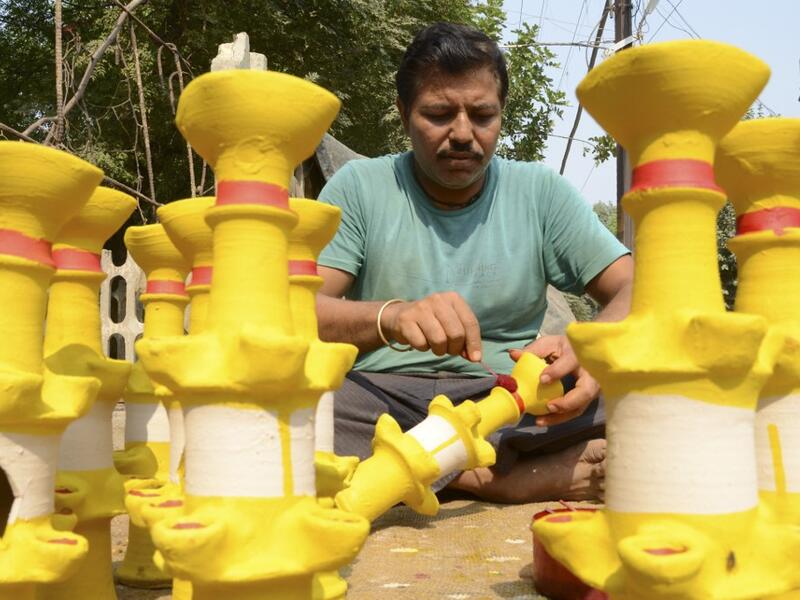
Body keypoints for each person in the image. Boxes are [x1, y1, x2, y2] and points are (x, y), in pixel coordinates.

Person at [315, 21, 632, 503]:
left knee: (660, 391)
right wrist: (392, 317)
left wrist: (591, 345)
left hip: (510, 401)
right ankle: (504, 479)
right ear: (403, 115)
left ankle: (423, 468)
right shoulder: (358, 187)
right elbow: (302, 309)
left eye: (482, 115)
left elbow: (635, 287)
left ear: (501, 114)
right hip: (381, 400)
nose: (463, 134)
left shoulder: (540, 193)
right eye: (439, 114)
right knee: (285, 410)